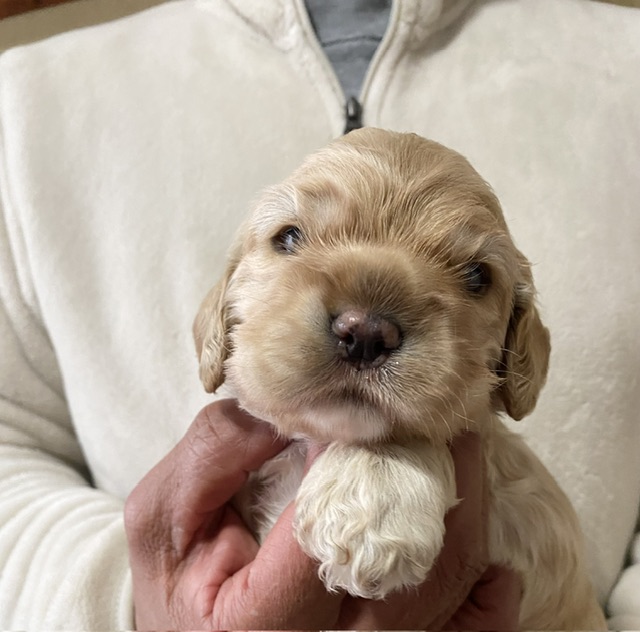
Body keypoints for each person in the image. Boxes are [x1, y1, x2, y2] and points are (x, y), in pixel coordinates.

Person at [0, 0, 638, 628]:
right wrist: (128, 607)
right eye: (291, 238)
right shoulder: (30, 95)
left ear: (517, 342)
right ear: (222, 303)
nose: (366, 328)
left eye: (474, 276)